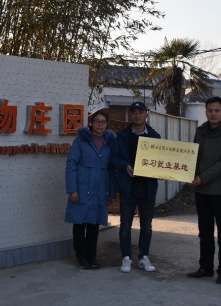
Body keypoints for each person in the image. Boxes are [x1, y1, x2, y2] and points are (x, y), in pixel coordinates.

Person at [187, 96, 221, 284]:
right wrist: (185, 173)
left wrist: (203, 177)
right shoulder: (201, 131)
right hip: (202, 191)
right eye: (210, 110)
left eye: (217, 110)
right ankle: (205, 267)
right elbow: (193, 156)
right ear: (206, 112)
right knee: (205, 232)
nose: (213, 114)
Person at [111, 101, 161, 273]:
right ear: (130, 115)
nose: (137, 115)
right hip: (128, 187)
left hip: (147, 188)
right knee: (125, 226)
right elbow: (113, 158)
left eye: (140, 112)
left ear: (146, 114)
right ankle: (126, 258)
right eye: (134, 112)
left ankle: (143, 257)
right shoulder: (122, 136)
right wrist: (125, 165)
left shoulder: (155, 137)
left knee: (146, 226)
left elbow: (161, 160)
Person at [65, 109, 116, 269]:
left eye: (103, 122)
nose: (100, 125)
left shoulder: (110, 143)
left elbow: (111, 169)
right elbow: (71, 165)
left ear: (106, 125)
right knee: (80, 223)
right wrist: (72, 189)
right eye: (97, 121)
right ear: (91, 123)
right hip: (82, 188)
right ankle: (81, 257)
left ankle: (92, 256)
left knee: (94, 224)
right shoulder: (81, 141)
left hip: (100, 189)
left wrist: (111, 192)